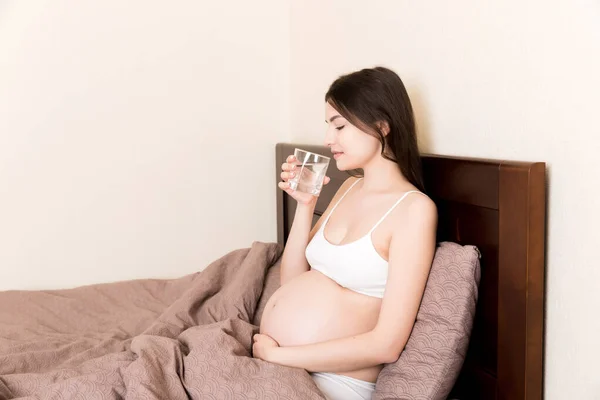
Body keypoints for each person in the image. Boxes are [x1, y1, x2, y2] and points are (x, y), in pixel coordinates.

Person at [252, 66, 438, 400]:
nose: (328, 139)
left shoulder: (414, 211)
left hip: (332, 384)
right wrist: (305, 205)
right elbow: (292, 283)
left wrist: (278, 355)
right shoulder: (348, 188)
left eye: (339, 126)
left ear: (382, 126)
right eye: (328, 126)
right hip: (281, 368)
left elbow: (386, 344)